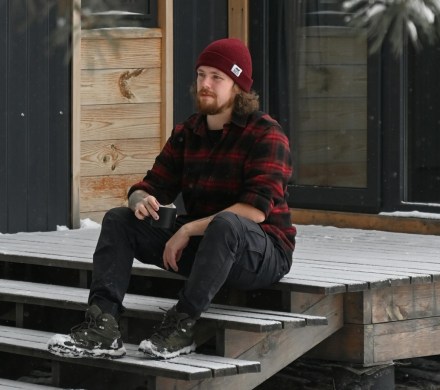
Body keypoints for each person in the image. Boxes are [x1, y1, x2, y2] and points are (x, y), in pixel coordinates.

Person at [48, 38, 296, 360]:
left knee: (227, 223)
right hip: (208, 248)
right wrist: (140, 200)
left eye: (217, 77)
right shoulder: (188, 132)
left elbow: (255, 210)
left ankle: (182, 325)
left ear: (238, 87)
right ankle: (103, 326)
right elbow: (151, 185)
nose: (205, 84)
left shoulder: (266, 134)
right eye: (201, 74)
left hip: (261, 252)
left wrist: (187, 230)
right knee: (119, 220)